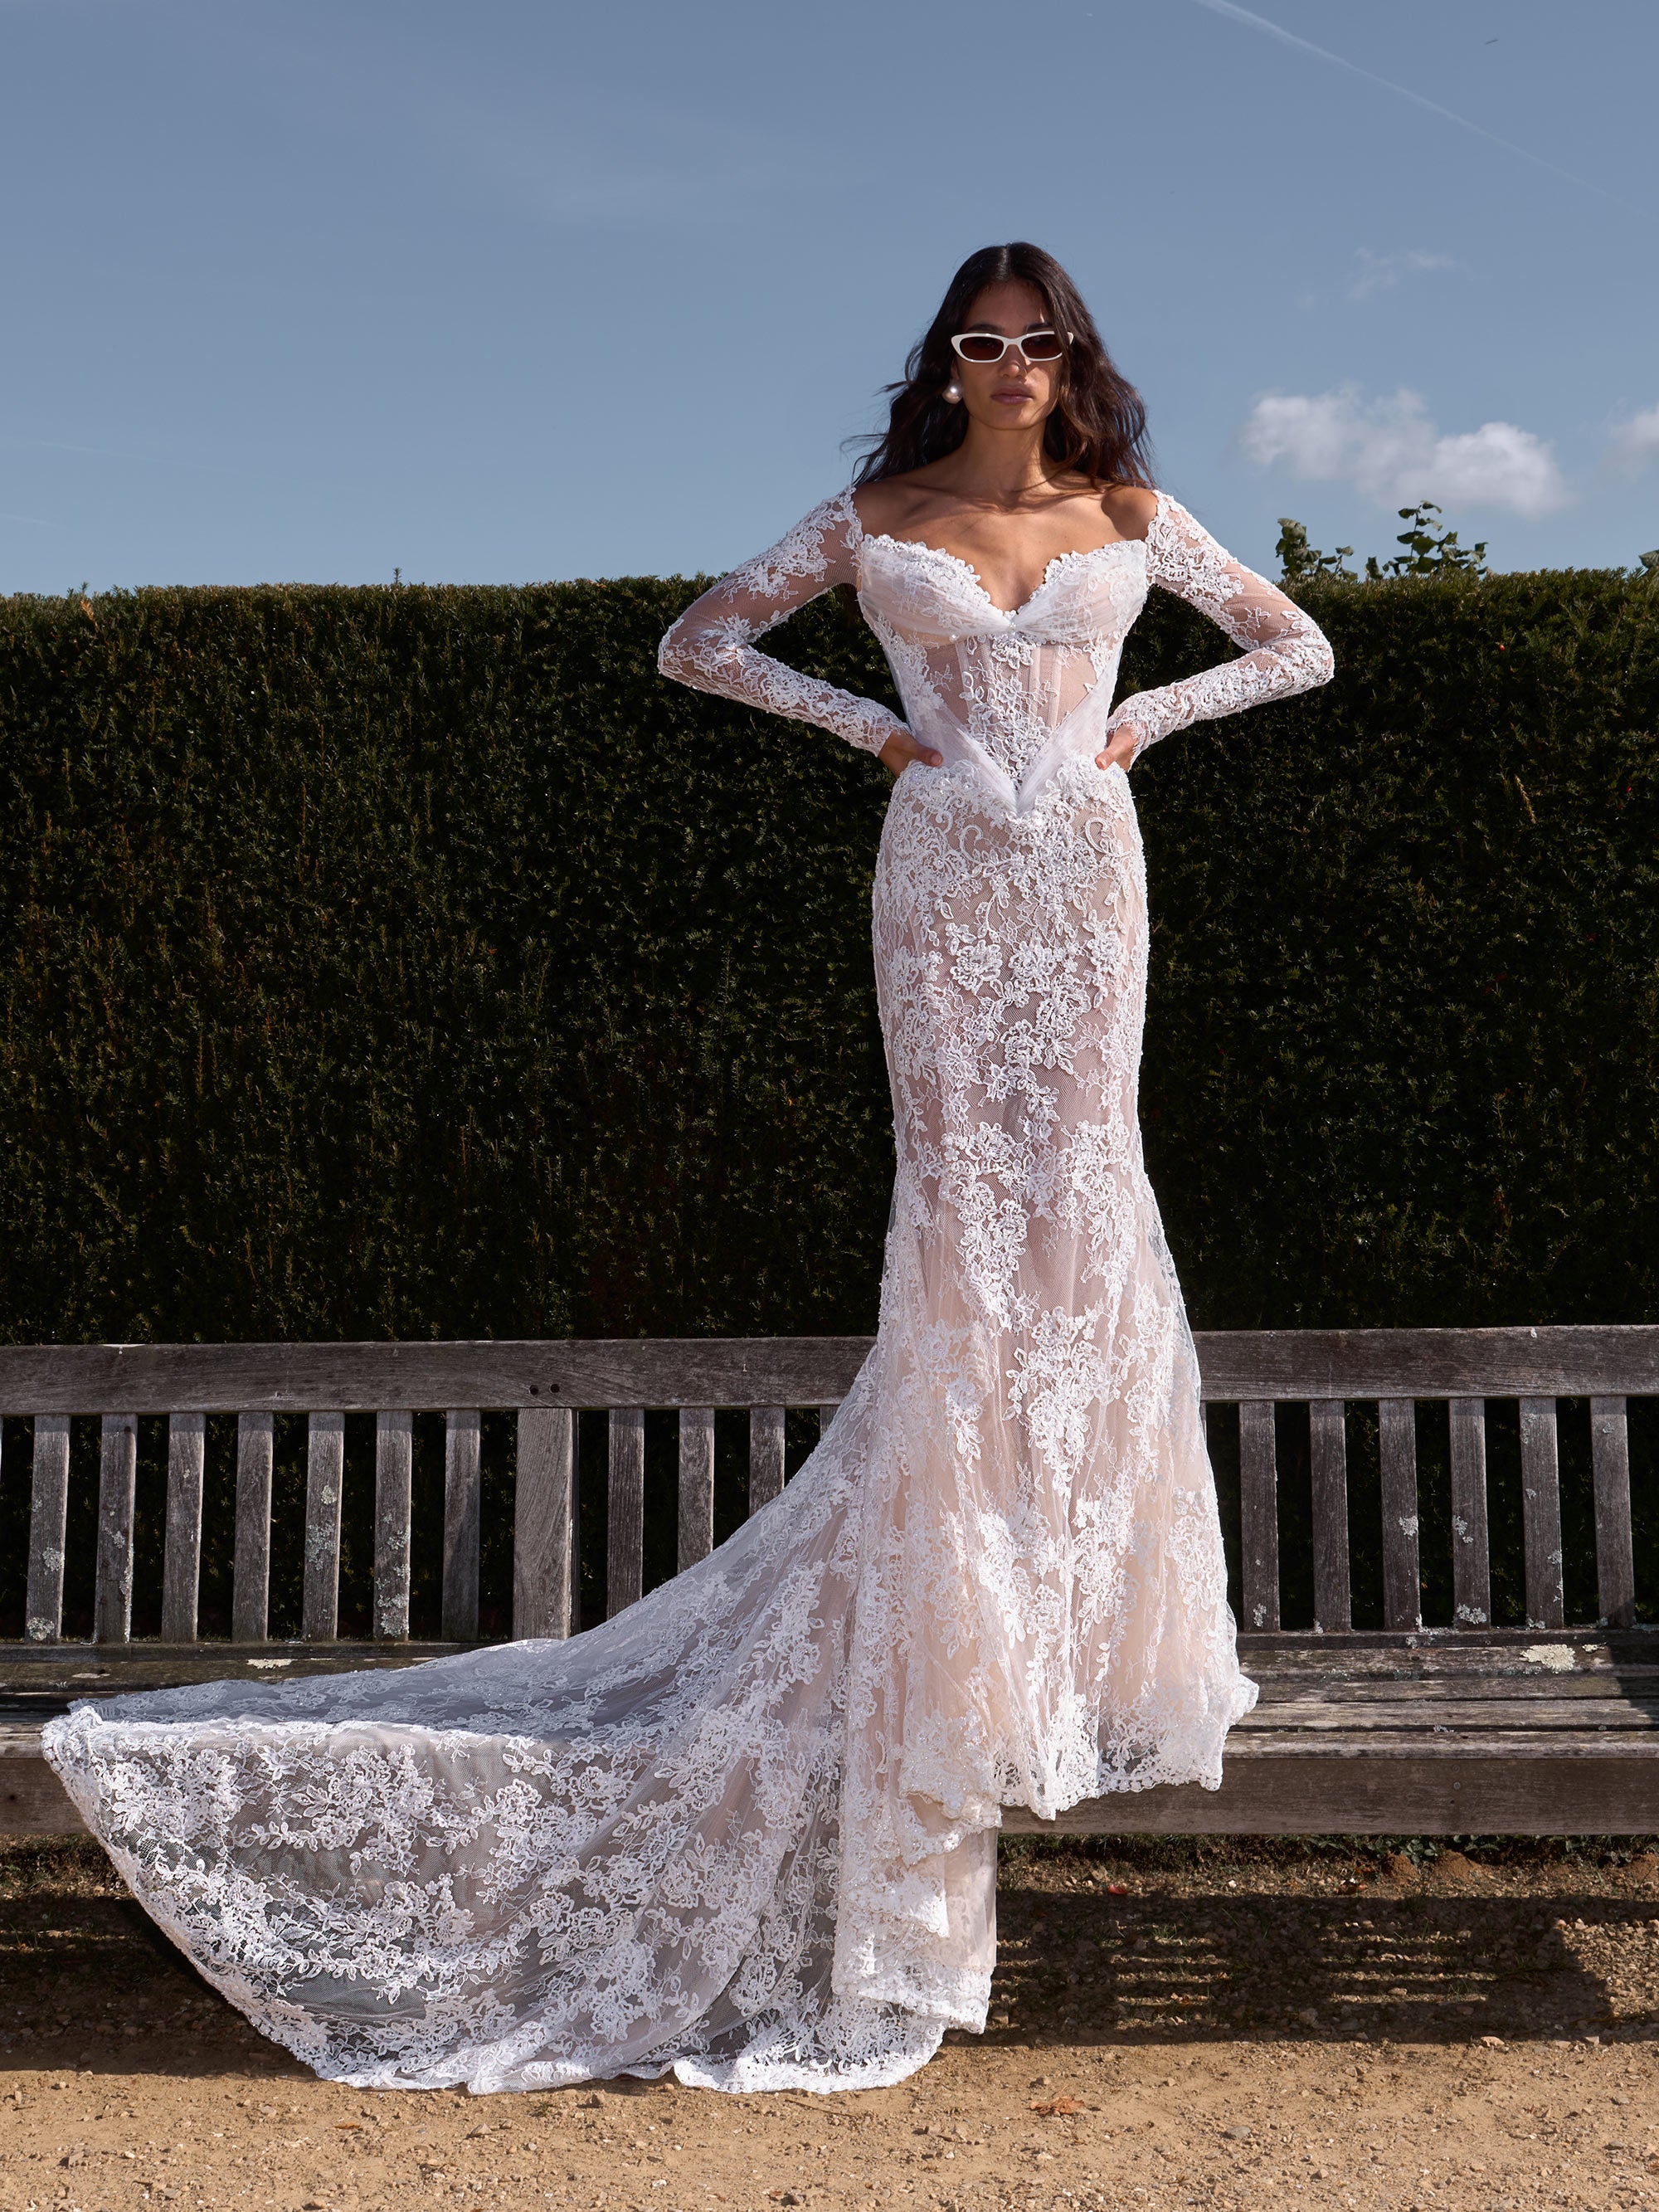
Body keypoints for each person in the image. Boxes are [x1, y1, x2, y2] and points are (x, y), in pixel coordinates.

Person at [45, 242, 1333, 2099]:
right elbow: (698, 640)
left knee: (1084, 1201)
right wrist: (877, 727)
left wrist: (1139, 721)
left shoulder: (1130, 505)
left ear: (1072, 358)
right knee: (964, 1212)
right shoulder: (876, 509)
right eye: (978, 340)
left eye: (1034, 341)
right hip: (943, 878)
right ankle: (960, 1598)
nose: (1005, 365)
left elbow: (1293, 644)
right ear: (949, 357)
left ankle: (1086, 1614)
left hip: (1091, 883)